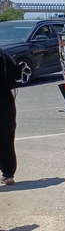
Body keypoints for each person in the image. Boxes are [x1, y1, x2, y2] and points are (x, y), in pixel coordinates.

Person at [0, 47, 21, 185]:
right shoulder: (2, 54)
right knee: (6, 140)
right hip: (4, 102)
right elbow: (17, 73)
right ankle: (8, 175)